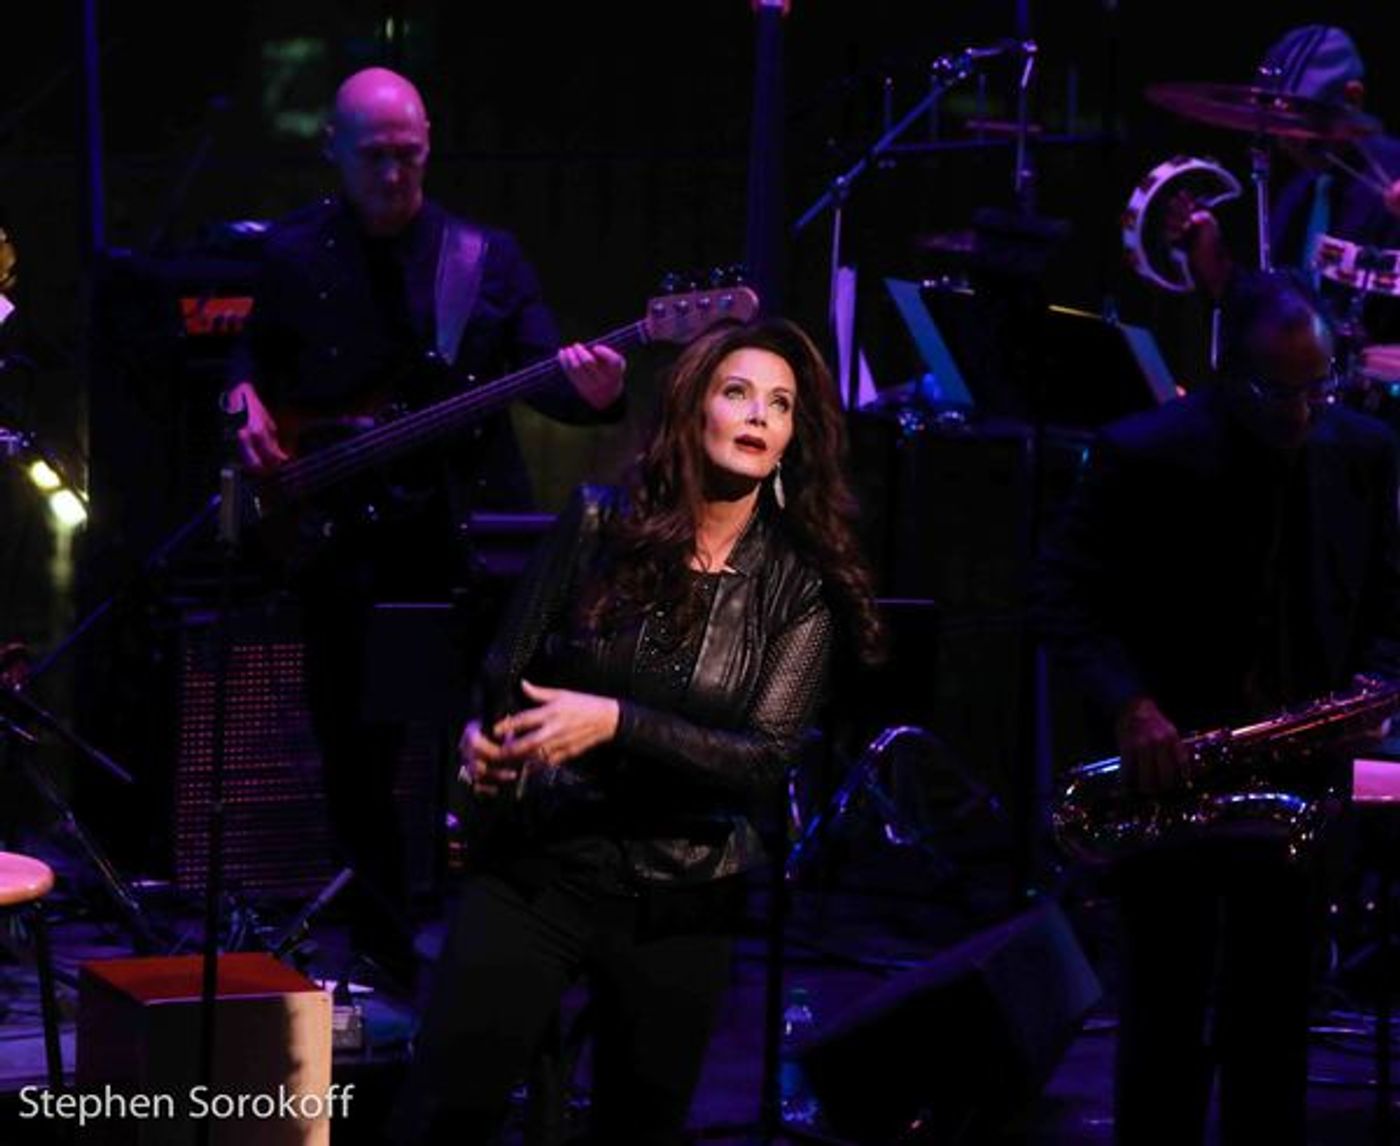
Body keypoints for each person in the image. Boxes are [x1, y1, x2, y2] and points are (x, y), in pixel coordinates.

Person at [389, 316, 884, 1144]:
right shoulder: (594, 524)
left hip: (683, 897)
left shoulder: (800, 588)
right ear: (694, 410)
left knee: (639, 1127)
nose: (760, 415)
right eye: (738, 393)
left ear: (795, 436)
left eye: (781, 404)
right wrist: (492, 746)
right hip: (544, 864)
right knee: (445, 1111)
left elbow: (762, 761)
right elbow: (505, 672)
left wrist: (616, 722)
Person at [225, 66, 626, 991]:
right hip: (341, 546)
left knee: (493, 739)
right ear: (334, 148)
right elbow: (251, 356)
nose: (397, 176)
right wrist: (237, 392)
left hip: (462, 540)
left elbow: (552, 373)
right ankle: (381, 943)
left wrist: (596, 393)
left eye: (411, 156)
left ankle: (503, 935)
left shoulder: (484, 259)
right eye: (376, 158)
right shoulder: (290, 254)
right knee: (356, 755)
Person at [1035, 270, 1400, 1144]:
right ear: (1227, 373)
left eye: (1321, 388)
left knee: (1275, 1020)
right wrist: (1131, 705)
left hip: (1301, 772)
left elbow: (1388, 596)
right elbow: (1062, 593)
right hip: (1176, 771)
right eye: (1282, 393)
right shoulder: (1141, 452)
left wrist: (1376, 690)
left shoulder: (1364, 449)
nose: (1305, 413)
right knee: (1165, 1009)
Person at [1172, 26, 1400, 359]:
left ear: (1352, 98)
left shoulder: (1391, 178)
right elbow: (1279, 322)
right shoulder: (1299, 194)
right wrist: (1213, 261)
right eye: (1278, 121)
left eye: (1302, 117)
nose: (1287, 137)